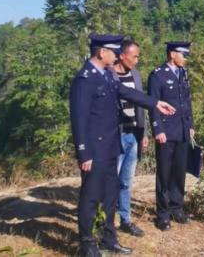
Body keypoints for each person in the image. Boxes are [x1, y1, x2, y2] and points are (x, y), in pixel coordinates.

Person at [70, 34, 176, 257]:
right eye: (113, 51)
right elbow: (78, 119)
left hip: (111, 146)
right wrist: (83, 153)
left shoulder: (106, 76)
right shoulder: (85, 79)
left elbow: (127, 92)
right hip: (94, 150)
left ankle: (109, 238)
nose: (116, 55)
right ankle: (87, 244)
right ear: (101, 52)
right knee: (90, 197)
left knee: (110, 195)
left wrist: (155, 102)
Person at [147, 41, 195, 231]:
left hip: (182, 130)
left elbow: (187, 102)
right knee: (164, 174)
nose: (186, 58)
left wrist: (190, 125)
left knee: (179, 172)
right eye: (183, 54)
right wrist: (157, 129)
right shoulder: (158, 75)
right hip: (166, 132)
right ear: (172, 54)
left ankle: (177, 208)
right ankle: (163, 214)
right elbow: (153, 105)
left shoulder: (183, 74)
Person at [111, 39, 148, 237]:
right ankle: (106, 223)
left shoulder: (135, 75)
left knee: (126, 181)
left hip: (133, 135)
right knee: (110, 182)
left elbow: (142, 103)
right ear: (122, 55)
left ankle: (125, 220)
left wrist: (145, 133)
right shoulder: (109, 75)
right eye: (134, 56)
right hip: (115, 136)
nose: (136, 60)